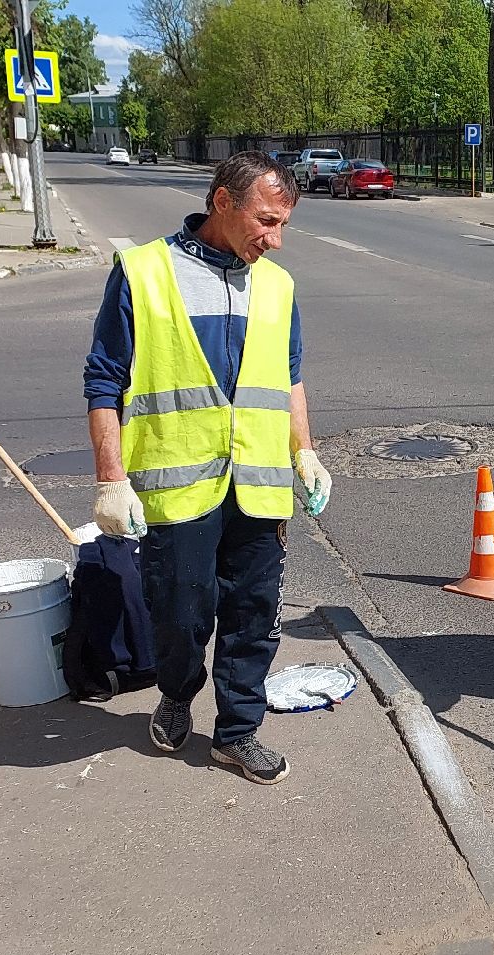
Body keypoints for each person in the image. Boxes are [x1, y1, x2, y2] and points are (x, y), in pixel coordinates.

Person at [82, 151, 332, 785]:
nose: (274, 241)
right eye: (265, 221)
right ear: (223, 201)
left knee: (254, 614)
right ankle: (175, 693)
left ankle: (237, 733)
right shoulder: (144, 272)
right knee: (180, 613)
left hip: (259, 485)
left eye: (283, 227)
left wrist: (304, 450)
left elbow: (291, 377)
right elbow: (104, 380)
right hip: (179, 486)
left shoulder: (277, 284)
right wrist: (110, 480)